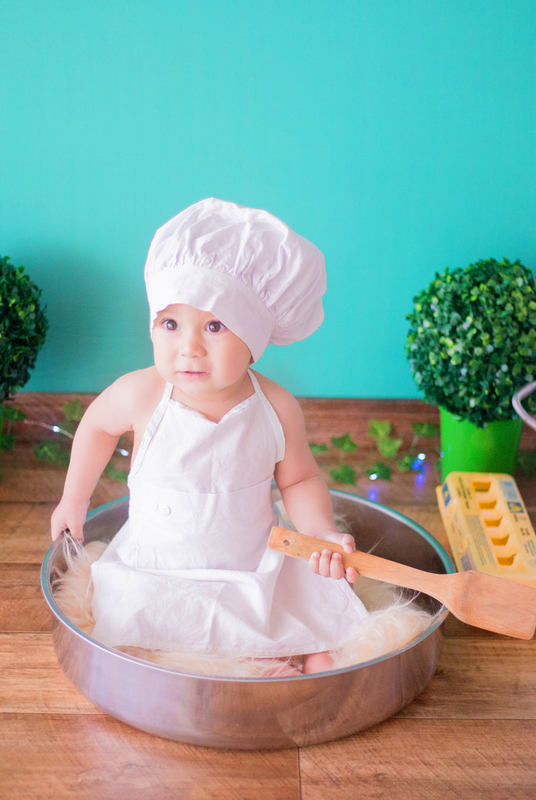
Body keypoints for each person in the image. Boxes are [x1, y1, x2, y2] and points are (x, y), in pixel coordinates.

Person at [49, 197, 369, 674]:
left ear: (254, 339)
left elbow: (300, 479)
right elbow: (96, 427)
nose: (189, 347)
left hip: (246, 564)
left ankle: (291, 653)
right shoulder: (142, 393)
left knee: (305, 619)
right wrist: (73, 500)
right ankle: (216, 654)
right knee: (130, 632)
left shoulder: (276, 407)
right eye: (170, 324)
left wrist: (320, 532)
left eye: (215, 326)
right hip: (157, 568)